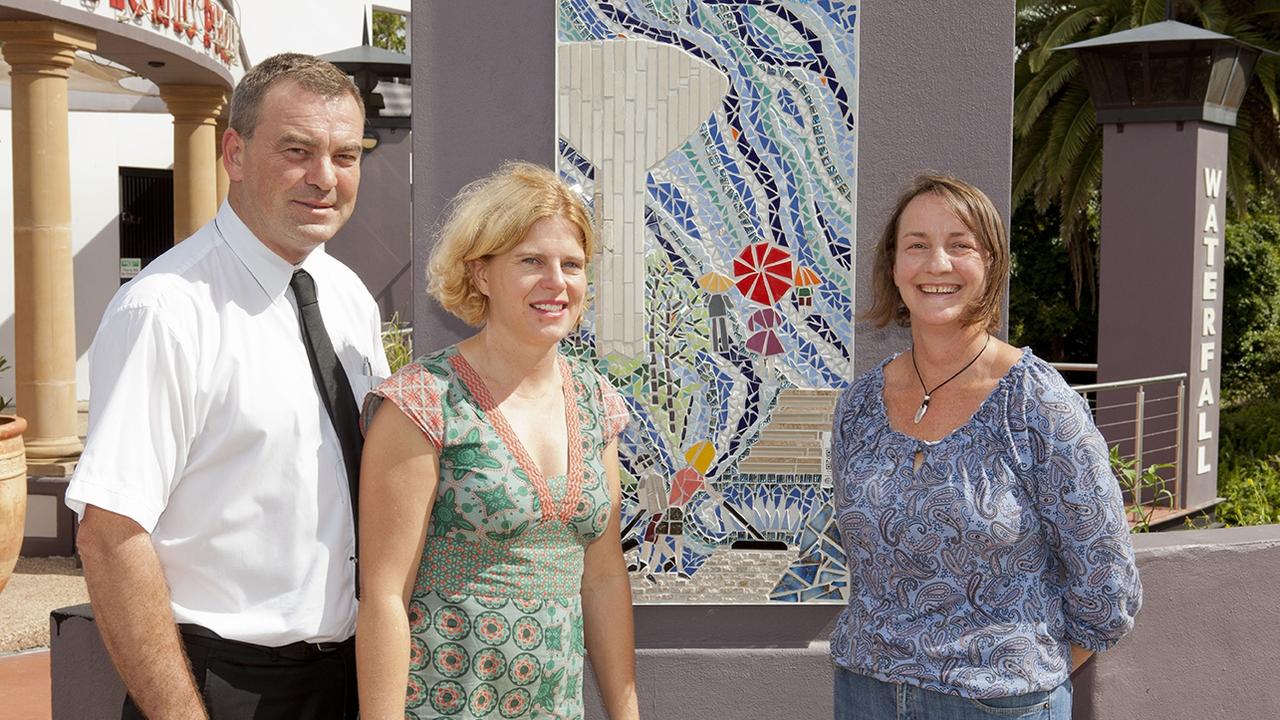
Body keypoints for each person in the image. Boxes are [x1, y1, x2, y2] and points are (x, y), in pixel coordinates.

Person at [68, 53, 389, 720]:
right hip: (225, 688)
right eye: (297, 151)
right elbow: (109, 536)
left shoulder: (347, 295)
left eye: (345, 155)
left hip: (347, 679)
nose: (324, 178)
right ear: (234, 153)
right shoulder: (166, 311)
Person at [828, 174, 1141, 719]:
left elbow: (1107, 585)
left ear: (993, 264)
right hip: (866, 692)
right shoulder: (858, 406)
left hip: (998, 703)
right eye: (917, 245)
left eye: (960, 245)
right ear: (893, 267)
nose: (937, 264)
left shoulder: (1037, 404)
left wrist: (1023, 680)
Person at [356, 162, 640, 719]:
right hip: (444, 703)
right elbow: (385, 595)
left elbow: (603, 578)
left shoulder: (597, 404)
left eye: (572, 265)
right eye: (531, 261)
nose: (556, 282)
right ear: (480, 273)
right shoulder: (421, 402)